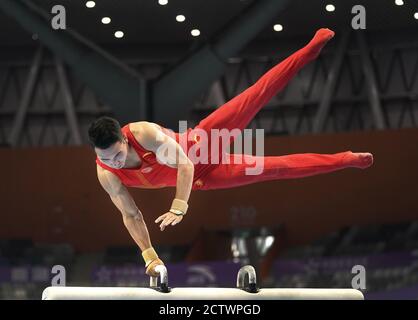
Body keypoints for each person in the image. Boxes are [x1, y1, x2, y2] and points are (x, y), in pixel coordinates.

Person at [88, 28, 374, 277]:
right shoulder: (107, 174)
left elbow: (185, 165)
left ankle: (309, 51)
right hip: (208, 177)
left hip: (204, 142)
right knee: (277, 168)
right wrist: (150, 256)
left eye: (116, 155)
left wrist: (179, 206)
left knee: (255, 94)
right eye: (105, 158)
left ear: (124, 140)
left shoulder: (143, 133)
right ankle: (344, 160)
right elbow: (131, 215)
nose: (114, 162)